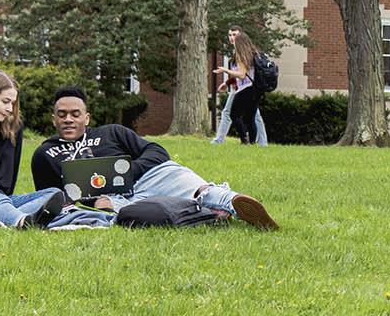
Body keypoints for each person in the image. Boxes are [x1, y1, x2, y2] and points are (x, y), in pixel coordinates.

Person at [32, 86, 279, 229]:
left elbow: (157, 152)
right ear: (53, 119)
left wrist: (127, 172)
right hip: (114, 199)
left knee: (197, 188)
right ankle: (209, 214)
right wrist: (91, 204)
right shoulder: (45, 154)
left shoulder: (111, 132)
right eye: (62, 114)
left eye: (75, 114)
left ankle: (232, 203)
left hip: (151, 178)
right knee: (129, 213)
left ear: (86, 118)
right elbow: (51, 199)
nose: (68, 119)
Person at [0, 70, 112, 230]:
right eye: (5, 102)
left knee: (54, 194)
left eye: (13, 103)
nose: (9, 108)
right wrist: (0, 199)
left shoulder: (13, 129)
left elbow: (9, 180)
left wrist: (5, 199)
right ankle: (22, 222)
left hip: (4, 199)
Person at [213, 25, 267, 146]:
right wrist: (227, 83)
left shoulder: (241, 53)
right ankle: (260, 143)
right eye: (230, 35)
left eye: (235, 35)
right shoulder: (247, 51)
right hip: (248, 88)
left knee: (230, 113)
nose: (232, 38)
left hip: (244, 89)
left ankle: (223, 140)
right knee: (253, 116)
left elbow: (242, 74)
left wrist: (225, 71)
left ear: (241, 36)